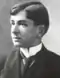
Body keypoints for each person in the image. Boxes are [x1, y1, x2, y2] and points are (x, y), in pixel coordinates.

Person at [0, 1, 60, 78]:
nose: (14, 31)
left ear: (40, 31)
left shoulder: (57, 64)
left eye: (23, 24)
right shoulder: (3, 63)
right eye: (13, 23)